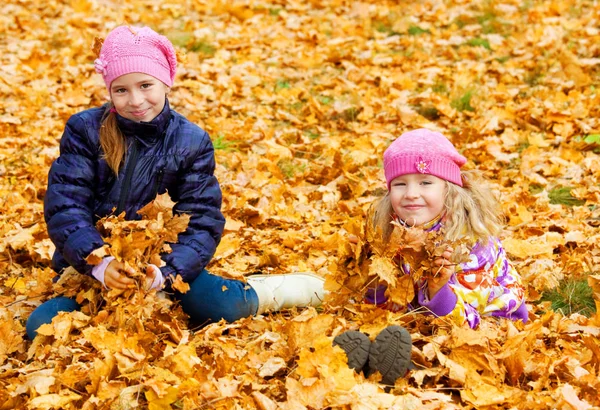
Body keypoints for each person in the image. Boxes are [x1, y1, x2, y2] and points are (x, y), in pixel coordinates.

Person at [26, 25, 325, 340]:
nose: (136, 100)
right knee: (42, 328)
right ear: (109, 91)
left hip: (164, 262)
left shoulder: (190, 141)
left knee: (221, 304)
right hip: (94, 266)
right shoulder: (85, 130)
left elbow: (202, 218)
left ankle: (275, 290)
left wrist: (165, 272)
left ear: (166, 82)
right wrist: (99, 262)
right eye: (121, 89)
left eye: (145, 85)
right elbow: (65, 206)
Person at [334, 128, 528, 385]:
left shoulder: (471, 246)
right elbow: (390, 302)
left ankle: (402, 367)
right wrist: (374, 279)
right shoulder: (390, 233)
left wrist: (439, 291)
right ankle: (371, 359)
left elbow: (469, 324)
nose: (411, 193)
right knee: (388, 332)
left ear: (450, 189)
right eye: (400, 184)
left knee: (453, 351)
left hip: (484, 326)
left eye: (425, 182)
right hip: (418, 321)